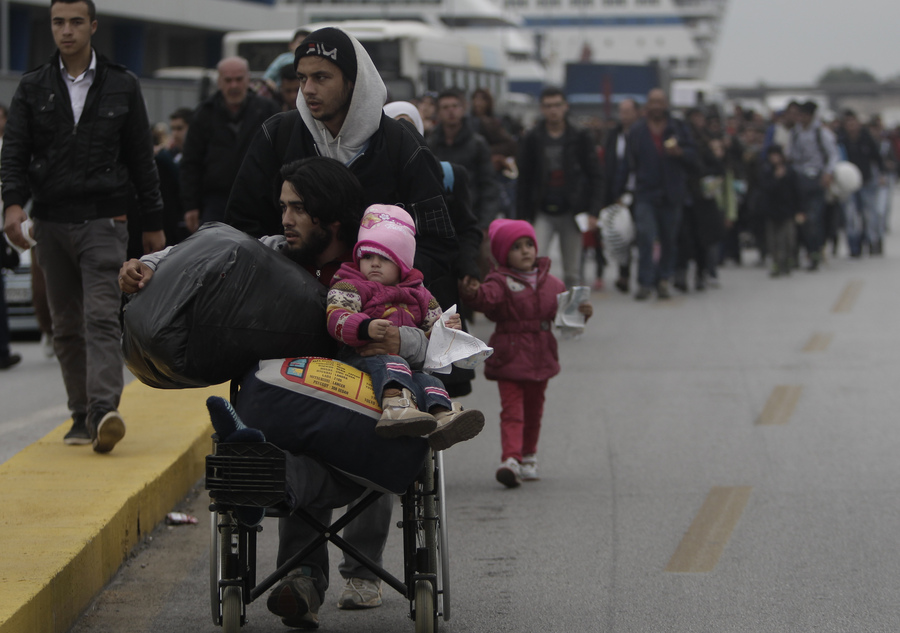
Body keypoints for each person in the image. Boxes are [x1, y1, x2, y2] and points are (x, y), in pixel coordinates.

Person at [1, 0, 164, 451]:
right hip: (50, 221)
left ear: (92, 26)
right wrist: (12, 206)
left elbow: (140, 159)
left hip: (104, 219)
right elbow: (13, 152)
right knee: (65, 324)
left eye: (75, 22)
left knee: (100, 317)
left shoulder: (122, 83)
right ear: (51, 27)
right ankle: (80, 414)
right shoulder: (33, 86)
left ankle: (103, 410)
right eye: (58, 22)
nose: (66, 31)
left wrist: (153, 224)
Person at [326, 203, 485, 447]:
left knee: (426, 379)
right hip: (360, 355)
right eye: (367, 256)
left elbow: (434, 330)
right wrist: (363, 327)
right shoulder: (351, 285)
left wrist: (448, 328)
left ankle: (442, 416)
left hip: (408, 361)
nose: (374, 264)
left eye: (384, 258)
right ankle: (396, 406)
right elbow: (336, 315)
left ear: (402, 264)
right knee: (394, 363)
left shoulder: (419, 293)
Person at [460, 219, 592, 487]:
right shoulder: (500, 281)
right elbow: (487, 299)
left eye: (529, 244)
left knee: (534, 411)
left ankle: (529, 455)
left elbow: (565, 318)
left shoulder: (552, 283)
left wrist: (582, 312)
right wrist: (473, 294)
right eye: (516, 247)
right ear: (503, 255)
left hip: (540, 357)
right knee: (512, 411)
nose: (525, 251)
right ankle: (511, 458)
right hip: (509, 358)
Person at [180, 56, 279, 233]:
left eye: (239, 79)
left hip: (258, 201)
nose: (234, 86)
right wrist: (190, 205)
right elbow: (191, 163)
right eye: (228, 80)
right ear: (219, 82)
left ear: (248, 79)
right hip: (215, 201)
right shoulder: (204, 114)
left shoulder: (267, 110)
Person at [516, 87, 603, 288]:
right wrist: (520, 218)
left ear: (565, 107)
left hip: (572, 209)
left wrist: (593, 211)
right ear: (542, 109)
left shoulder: (580, 135)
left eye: (557, 105)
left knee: (573, 272)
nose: (553, 110)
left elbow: (595, 174)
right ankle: (537, 314)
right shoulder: (532, 137)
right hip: (541, 208)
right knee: (535, 263)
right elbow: (524, 179)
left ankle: (571, 317)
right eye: (548, 106)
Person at [626, 88, 698, 300]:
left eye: (660, 102)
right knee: (646, 236)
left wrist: (680, 153)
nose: (656, 106)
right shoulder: (638, 130)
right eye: (652, 102)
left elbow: (693, 156)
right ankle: (645, 282)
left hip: (671, 192)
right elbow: (629, 163)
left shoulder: (678, 127)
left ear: (666, 104)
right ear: (647, 105)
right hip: (645, 192)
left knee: (668, 239)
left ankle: (664, 279)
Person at [427, 88, 500, 231]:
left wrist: (485, 224)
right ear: (438, 112)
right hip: (441, 222)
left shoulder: (478, 144)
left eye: (455, 106)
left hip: (472, 218)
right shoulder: (430, 144)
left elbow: (489, 185)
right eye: (445, 107)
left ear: (463, 108)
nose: (451, 111)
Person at [786, 100, 839, 271]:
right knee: (800, 219)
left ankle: (815, 251)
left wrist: (828, 173)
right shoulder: (795, 133)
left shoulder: (821, 133)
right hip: (799, 180)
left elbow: (833, 155)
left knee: (814, 218)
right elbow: (791, 155)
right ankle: (804, 251)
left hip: (817, 179)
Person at [600, 98, 639, 293]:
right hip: (619, 191)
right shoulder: (613, 135)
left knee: (640, 233)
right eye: (621, 111)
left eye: (628, 111)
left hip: (640, 190)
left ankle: (645, 275)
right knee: (621, 232)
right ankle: (623, 273)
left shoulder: (642, 133)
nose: (624, 115)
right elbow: (609, 165)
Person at [837, 109, 884, 257]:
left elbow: (877, 157)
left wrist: (882, 174)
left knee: (869, 214)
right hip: (849, 185)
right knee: (851, 216)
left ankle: (873, 241)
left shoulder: (866, 138)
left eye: (853, 123)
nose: (851, 126)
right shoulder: (842, 140)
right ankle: (854, 246)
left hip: (867, 181)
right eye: (848, 123)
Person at [759, 145, 801, 277]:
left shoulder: (790, 171)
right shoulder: (766, 171)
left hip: (787, 210)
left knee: (788, 239)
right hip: (771, 211)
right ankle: (776, 263)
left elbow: (796, 191)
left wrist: (800, 210)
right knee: (774, 241)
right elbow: (764, 189)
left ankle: (788, 261)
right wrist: (776, 178)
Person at [155, 107, 192, 246]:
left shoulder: (199, 157)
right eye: (173, 129)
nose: (175, 134)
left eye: (180, 128)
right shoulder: (172, 154)